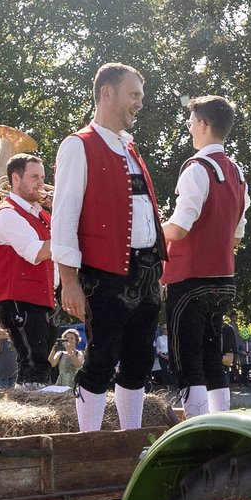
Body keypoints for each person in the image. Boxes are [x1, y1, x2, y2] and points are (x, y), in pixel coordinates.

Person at [51, 62, 164, 431]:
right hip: (105, 274)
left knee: (139, 360)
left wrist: (157, 271)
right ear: (107, 93)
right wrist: (68, 281)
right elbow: (64, 218)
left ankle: (129, 440)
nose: (139, 104)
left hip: (145, 271)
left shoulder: (129, 148)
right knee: (101, 359)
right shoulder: (77, 145)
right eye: (134, 95)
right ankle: (90, 443)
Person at [161, 95, 250, 418]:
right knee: (213, 355)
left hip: (189, 278)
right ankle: (220, 420)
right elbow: (237, 235)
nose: (189, 130)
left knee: (187, 359)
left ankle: (197, 424)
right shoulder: (237, 173)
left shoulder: (196, 168)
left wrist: (149, 228)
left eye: (190, 124)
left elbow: (180, 228)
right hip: (224, 277)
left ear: (203, 125)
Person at [0, 152, 58, 385]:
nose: (42, 183)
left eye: (43, 177)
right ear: (15, 179)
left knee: (31, 365)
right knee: (36, 364)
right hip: (20, 298)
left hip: (41, 296)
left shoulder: (40, 214)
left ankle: (24, 399)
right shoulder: (7, 213)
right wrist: (67, 231)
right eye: (35, 177)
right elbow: (36, 252)